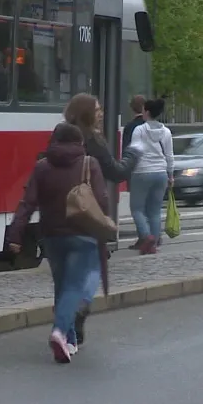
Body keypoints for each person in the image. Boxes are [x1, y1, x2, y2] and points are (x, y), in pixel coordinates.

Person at [7, 123, 106, 363]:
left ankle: (70, 341)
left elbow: (28, 202)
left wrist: (15, 234)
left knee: (62, 287)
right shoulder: (89, 164)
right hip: (83, 233)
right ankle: (60, 331)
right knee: (75, 286)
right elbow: (102, 199)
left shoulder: (42, 166)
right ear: (80, 142)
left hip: (52, 236)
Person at [61, 93, 140, 343]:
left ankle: (65, 326)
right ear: (87, 114)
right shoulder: (94, 142)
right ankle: (79, 311)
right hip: (87, 211)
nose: (101, 114)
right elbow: (116, 172)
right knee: (94, 265)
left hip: (62, 210)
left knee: (66, 274)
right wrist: (132, 156)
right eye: (97, 110)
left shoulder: (61, 135)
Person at [128, 99, 174, 255]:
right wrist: (170, 175)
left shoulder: (139, 130)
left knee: (137, 209)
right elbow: (169, 155)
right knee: (155, 210)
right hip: (161, 173)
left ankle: (146, 237)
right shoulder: (166, 132)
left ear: (146, 112)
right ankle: (154, 243)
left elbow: (134, 151)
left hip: (142, 172)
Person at [120, 94, 146, 162]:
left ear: (132, 108)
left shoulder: (129, 127)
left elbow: (126, 148)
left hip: (134, 163)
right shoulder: (149, 125)